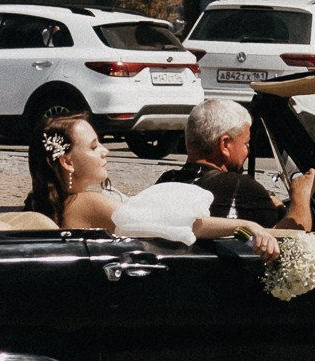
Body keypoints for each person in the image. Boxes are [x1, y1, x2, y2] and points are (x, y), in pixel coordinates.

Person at [25, 108, 280, 255]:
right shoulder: (85, 202)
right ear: (68, 162)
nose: (106, 151)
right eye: (94, 147)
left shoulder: (60, 201)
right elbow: (186, 224)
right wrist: (248, 226)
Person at [165, 95, 315, 233]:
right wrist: (301, 197)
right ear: (225, 145)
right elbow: (293, 239)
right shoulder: (241, 188)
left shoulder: (167, 182)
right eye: (246, 144)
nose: (248, 151)